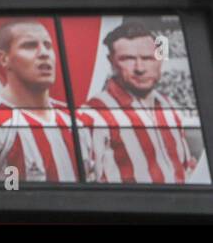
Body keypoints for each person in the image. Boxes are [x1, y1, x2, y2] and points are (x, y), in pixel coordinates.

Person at [0, 20, 77, 182]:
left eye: (48, 45)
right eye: (30, 45)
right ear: (4, 59)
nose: (44, 53)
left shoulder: (73, 118)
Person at [77, 20, 198, 184]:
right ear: (111, 62)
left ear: (160, 60)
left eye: (148, 58)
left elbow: (184, 167)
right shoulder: (93, 114)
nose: (140, 68)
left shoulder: (169, 105)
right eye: (127, 59)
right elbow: (87, 184)